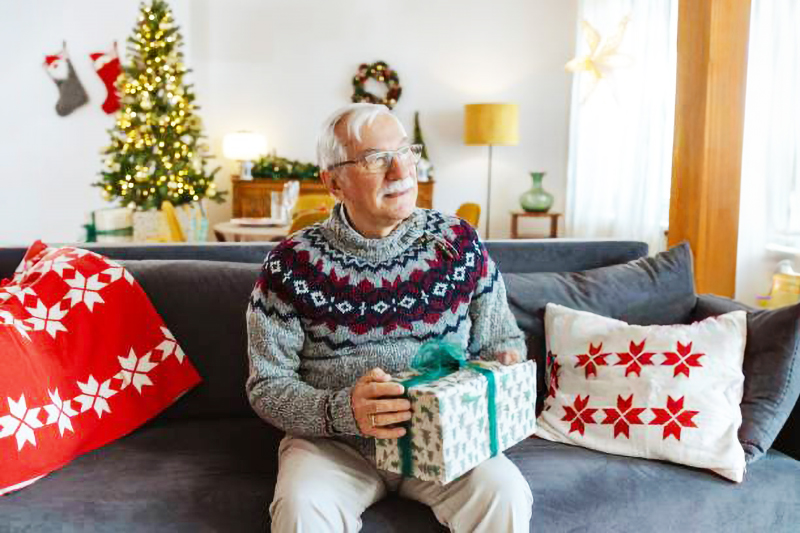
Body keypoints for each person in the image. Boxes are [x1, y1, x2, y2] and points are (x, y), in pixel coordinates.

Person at [246, 103, 533, 533]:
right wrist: (343, 412)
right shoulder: (290, 266)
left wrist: (503, 364)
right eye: (376, 159)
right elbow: (267, 386)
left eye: (405, 152)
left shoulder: (458, 242)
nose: (400, 171)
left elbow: (501, 341)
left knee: (505, 492)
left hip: (447, 441)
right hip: (335, 448)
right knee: (302, 507)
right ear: (334, 182)